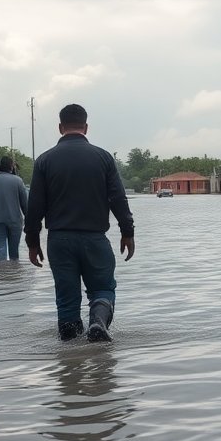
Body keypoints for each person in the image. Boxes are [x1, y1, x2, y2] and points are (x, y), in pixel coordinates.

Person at [26, 104, 135, 342]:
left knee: (66, 300)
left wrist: (32, 242)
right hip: (95, 238)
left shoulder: (44, 160)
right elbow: (118, 198)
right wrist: (128, 231)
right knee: (103, 289)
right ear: (86, 127)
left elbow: (34, 206)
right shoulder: (103, 157)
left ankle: (69, 366)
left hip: (59, 240)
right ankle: (98, 321)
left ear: (60, 127)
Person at [0, 155, 28, 261]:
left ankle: (2, 274)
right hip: (15, 220)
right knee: (14, 252)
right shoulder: (18, 181)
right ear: (11, 166)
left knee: (1, 249)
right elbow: (25, 204)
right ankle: (13, 274)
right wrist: (29, 220)